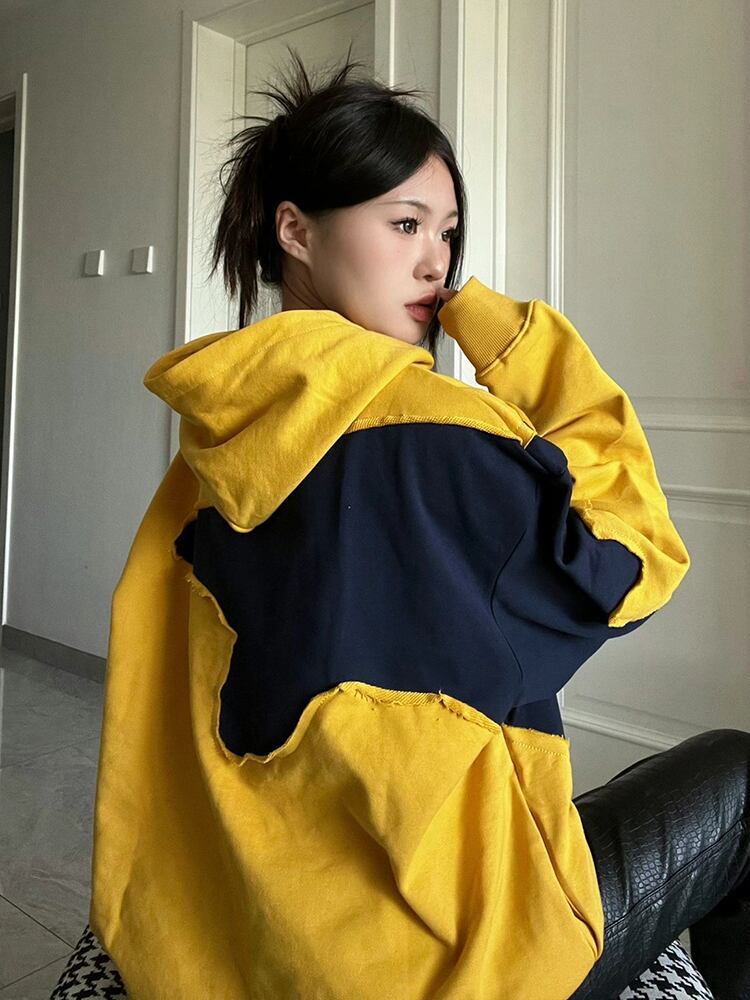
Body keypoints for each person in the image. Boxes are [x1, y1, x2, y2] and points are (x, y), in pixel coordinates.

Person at [88, 43, 750, 999]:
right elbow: (635, 563)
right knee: (739, 772)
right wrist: (523, 343)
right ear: (295, 231)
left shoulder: (218, 439)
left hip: (230, 931)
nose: (436, 261)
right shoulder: (439, 435)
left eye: (447, 232)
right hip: (434, 960)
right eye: (404, 223)